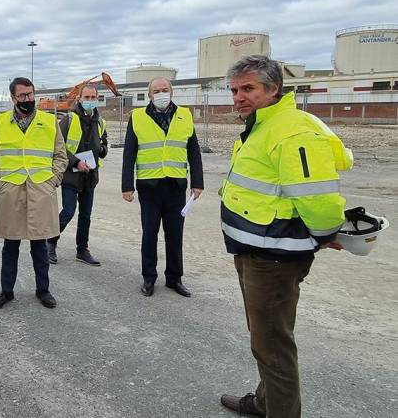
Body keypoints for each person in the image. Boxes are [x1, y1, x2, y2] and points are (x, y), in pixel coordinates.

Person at [219, 55, 349, 418]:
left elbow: (319, 199)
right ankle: (265, 402)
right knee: (265, 340)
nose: (239, 97)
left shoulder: (292, 131)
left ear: (273, 89)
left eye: (248, 89)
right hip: (253, 251)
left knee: (273, 348)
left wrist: (325, 233)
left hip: (273, 258)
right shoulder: (262, 126)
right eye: (234, 90)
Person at [0, 77, 67, 310]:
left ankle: (43, 290)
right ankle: (6, 291)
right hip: (11, 191)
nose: (28, 99)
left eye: (30, 95)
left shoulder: (50, 122)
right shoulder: (2, 122)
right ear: (13, 97)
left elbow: (60, 156)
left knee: (39, 245)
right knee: (10, 246)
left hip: (41, 190)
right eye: (22, 96)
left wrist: (54, 180)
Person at [121, 77, 203, 298]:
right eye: (156, 91)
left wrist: (197, 182)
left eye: (164, 90)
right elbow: (129, 153)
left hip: (176, 185)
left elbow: (193, 151)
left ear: (172, 92)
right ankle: (149, 277)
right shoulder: (137, 117)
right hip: (149, 186)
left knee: (175, 234)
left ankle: (174, 278)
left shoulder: (184, 115)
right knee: (150, 234)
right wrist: (126, 185)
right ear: (149, 95)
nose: (160, 94)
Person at [47, 83, 108, 266]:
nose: (90, 101)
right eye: (86, 98)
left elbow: (104, 143)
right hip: (71, 175)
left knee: (86, 215)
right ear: (79, 99)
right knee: (68, 211)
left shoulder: (100, 122)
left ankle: (82, 250)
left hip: (90, 176)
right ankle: (50, 243)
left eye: (93, 98)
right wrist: (76, 162)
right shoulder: (69, 120)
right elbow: (58, 146)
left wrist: (103, 149)